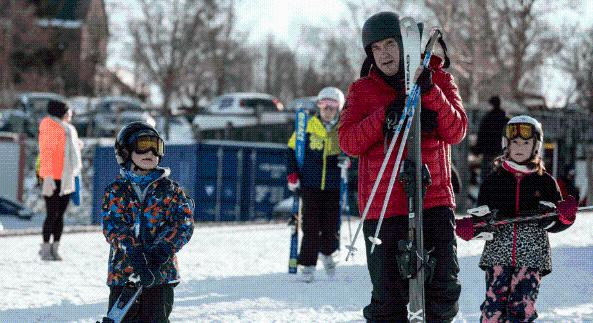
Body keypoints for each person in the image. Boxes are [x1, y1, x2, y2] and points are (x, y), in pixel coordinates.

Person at [338, 11, 467, 321]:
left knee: (442, 295)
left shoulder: (440, 79)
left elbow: (458, 130)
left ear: (405, 45)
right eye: (377, 48)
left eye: (391, 45)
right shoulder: (362, 91)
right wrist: (383, 117)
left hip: (433, 200)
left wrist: (432, 95)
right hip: (383, 208)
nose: (385, 54)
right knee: (387, 302)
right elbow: (348, 142)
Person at [476, 115, 577, 321]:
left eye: (526, 142)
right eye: (515, 142)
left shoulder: (545, 182)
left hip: (531, 257)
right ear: (506, 144)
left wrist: (565, 218)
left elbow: (555, 220)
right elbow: (481, 218)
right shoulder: (493, 181)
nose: (520, 147)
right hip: (498, 255)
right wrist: (474, 227)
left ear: (536, 146)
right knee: (493, 309)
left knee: (521, 309)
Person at [101, 122, 194, 321]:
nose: (150, 152)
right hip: (125, 274)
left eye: (156, 146)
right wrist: (134, 252)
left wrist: (160, 252)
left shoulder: (171, 191)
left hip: (160, 274)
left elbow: (182, 224)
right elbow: (113, 225)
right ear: (125, 152)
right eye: (143, 145)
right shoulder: (116, 191)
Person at [287, 86, 346, 283]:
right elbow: (291, 151)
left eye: (332, 106)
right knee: (310, 225)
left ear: (339, 108)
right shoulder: (307, 127)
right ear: (318, 107)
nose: (327, 110)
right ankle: (308, 264)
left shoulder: (343, 129)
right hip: (310, 184)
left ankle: (328, 253)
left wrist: (348, 162)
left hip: (333, 185)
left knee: (331, 224)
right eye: (323, 105)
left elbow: (353, 151)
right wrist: (293, 174)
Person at [38, 100, 83, 261]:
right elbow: (47, 152)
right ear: (60, 112)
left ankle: (55, 248)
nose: (70, 114)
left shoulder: (69, 129)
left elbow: (68, 149)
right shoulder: (49, 126)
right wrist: (48, 177)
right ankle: (45, 248)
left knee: (61, 214)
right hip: (52, 177)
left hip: (66, 176)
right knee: (52, 214)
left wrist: (78, 145)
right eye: (67, 111)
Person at [475, 95, 509, 182]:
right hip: (501, 150)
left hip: (488, 151)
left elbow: (481, 135)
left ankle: (485, 191)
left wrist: (478, 149)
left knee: (486, 175)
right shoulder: (505, 119)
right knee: (501, 174)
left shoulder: (487, 118)